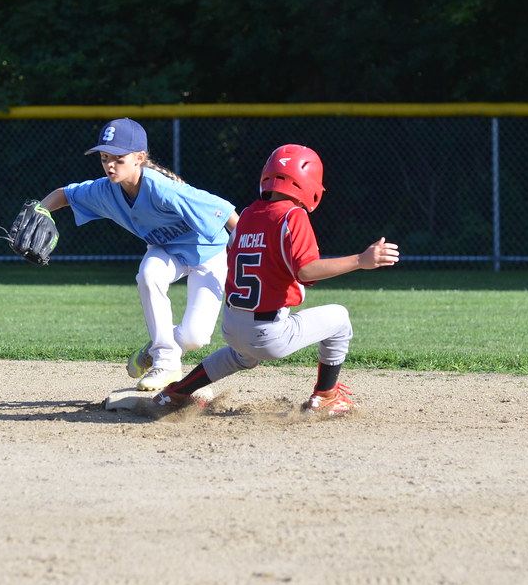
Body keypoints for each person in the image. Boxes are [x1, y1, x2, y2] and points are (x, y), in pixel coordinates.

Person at [151, 144, 400, 416]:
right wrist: (360, 261)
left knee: (240, 356)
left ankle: (174, 393)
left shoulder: (246, 215)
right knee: (339, 318)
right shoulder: (293, 215)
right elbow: (306, 271)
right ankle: (326, 396)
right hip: (269, 333)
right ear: (308, 184)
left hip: (233, 325)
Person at [39, 118, 238, 391]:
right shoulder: (105, 190)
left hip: (210, 252)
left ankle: (152, 350)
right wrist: (41, 210)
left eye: (118, 158)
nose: (110, 165)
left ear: (139, 158)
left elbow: (226, 212)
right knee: (149, 273)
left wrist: (248, 248)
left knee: (195, 337)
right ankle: (165, 363)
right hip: (167, 250)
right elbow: (64, 194)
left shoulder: (163, 188)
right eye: (105, 157)